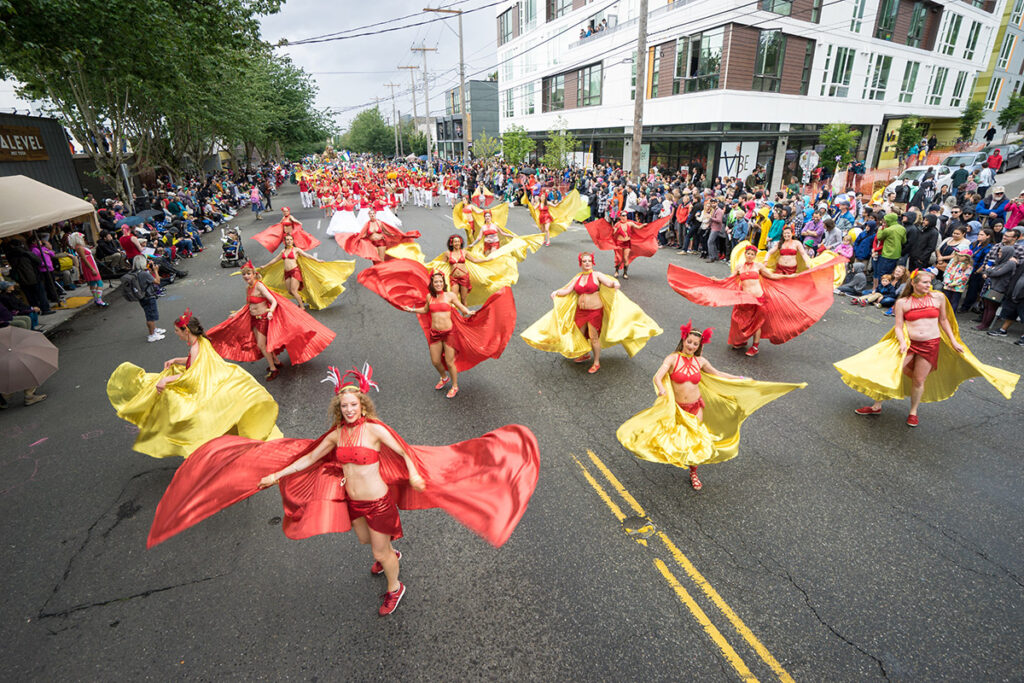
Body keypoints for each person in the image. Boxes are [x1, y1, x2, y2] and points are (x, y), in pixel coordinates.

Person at [145, 363, 540, 616]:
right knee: (365, 540)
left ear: (363, 405)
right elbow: (308, 459)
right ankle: (389, 554)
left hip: (380, 501)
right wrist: (273, 475)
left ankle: (395, 586)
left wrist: (417, 476)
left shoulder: (376, 430)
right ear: (340, 409)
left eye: (354, 405)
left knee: (379, 550)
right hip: (354, 503)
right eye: (344, 406)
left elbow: (405, 453)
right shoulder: (336, 435)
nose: (350, 410)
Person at [617, 321, 804, 491]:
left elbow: (718, 374)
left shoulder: (701, 362)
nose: (691, 346)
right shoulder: (673, 358)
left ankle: (693, 472)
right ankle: (671, 456)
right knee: (674, 437)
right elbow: (658, 376)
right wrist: (661, 389)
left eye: (695, 344)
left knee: (696, 440)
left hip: (696, 406)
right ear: (683, 340)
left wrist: (740, 379)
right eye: (688, 342)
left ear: (699, 346)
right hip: (678, 408)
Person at [837, 270, 1018, 426]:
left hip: (930, 345)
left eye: (930, 282)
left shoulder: (938, 297)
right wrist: (901, 342)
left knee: (918, 380)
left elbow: (944, 320)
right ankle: (876, 406)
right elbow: (899, 327)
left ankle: (913, 412)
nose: (929, 285)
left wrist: (954, 341)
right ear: (914, 284)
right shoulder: (902, 302)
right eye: (925, 282)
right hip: (909, 344)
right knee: (889, 372)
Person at [106, 309, 282, 458]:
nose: (175, 334)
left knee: (171, 404)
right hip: (207, 381)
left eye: (177, 331)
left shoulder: (197, 347)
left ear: (186, 331)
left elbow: (194, 375)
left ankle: (186, 443)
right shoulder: (199, 343)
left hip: (202, 388)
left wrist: (167, 380)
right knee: (163, 383)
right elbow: (194, 363)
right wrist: (177, 360)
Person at [667, 242, 841, 356]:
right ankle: (741, 341)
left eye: (752, 254)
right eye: (748, 253)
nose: (749, 256)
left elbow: (773, 277)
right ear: (745, 255)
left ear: (754, 255)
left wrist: (791, 278)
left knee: (758, 323)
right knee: (739, 320)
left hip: (758, 298)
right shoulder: (740, 266)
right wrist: (715, 281)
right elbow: (729, 279)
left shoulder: (758, 266)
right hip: (744, 299)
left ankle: (755, 346)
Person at [522, 252, 662, 374]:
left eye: (589, 261)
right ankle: (584, 354)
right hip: (580, 312)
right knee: (579, 334)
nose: (587, 263)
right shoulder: (577, 277)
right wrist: (556, 292)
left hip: (595, 311)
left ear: (592, 262)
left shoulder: (597, 275)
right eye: (584, 261)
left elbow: (608, 282)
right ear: (581, 263)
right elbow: (567, 290)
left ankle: (596, 362)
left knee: (594, 336)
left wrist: (615, 284)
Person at [206, 261, 336, 380]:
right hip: (253, 319)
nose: (246, 276)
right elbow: (248, 305)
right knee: (262, 344)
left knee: (262, 345)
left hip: (263, 319)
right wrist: (237, 314)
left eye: (248, 273)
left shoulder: (259, 286)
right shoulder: (248, 288)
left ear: (254, 274)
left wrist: (270, 312)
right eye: (244, 274)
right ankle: (276, 362)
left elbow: (273, 301)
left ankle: (273, 369)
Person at [401, 271, 474, 398]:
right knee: (435, 361)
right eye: (436, 282)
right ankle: (444, 377)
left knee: (449, 362)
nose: (439, 284)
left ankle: (455, 386)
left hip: (449, 333)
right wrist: (411, 310)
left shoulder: (450, 295)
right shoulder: (430, 297)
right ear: (432, 284)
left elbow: (462, 308)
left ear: (443, 283)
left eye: (440, 281)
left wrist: (469, 312)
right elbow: (425, 310)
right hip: (435, 333)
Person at [126, 255, 165, 341]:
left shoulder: (134, 272)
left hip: (142, 297)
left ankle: (154, 329)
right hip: (148, 296)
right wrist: (156, 271)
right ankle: (152, 335)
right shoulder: (144, 274)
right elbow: (157, 281)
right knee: (150, 316)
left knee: (149, 313)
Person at [66, 232, 109, 307]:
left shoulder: (79, 246)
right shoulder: (79, 247)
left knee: (92, 283)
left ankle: (97, 299)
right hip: (89, 265)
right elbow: (84, 259)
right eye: (82, 237)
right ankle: (99, 300)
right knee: (99, 282)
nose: (83, 239)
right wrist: (92, 269)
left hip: (89, 265)